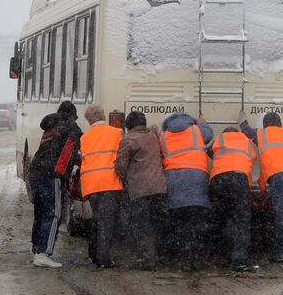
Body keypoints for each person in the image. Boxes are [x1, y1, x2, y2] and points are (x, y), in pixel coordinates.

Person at [239, 111, 283, 270]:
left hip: (280, 177)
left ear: (265, 124)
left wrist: (242, 120)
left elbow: (246, 131)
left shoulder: (263, 134)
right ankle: (278, 252)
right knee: (281, 215)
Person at [29, 101, 82, 268]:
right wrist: (63, 176)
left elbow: (54, 150)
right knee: (54, 213)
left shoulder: (50, 126)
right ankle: (44, 253)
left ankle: (37, 249)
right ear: (72, 116)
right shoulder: (71, 129)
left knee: (41, 211)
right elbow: (68, 154)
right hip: (52, 175)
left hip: (36, 171)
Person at [159, 112, 213, 271]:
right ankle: (196, 260)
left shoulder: (163, 137)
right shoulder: (197, 131)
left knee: (180, 224)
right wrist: (203, 123)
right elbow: (209, 133)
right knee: (196, 223)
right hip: (196, 178)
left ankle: (184, 259)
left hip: (174, 180)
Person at [115, 111, 167, 271]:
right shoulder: (153, 136)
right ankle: (157, 257)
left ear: (128, 126)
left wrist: (123, 177)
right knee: (155, 223)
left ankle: (146, 260)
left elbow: (121, 167)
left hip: (140, 189)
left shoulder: (128, 140)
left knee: (141, 225)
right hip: (159, 187)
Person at [208, 126, 257, 272]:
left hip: (218, 180)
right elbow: (252, 158)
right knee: (241, 220)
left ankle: (226, 255)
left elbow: (209, 152)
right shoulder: (247, 141)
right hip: (238, 178)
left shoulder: (219, 139)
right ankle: (239, 260)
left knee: (225, 217)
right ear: (238, 133)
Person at [80, 105, 123, 268]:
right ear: (103, 115)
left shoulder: (84, 137)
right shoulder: (116, 133)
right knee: (107, 221)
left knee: (96, 219)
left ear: (88, 120)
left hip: (91, 184)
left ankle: (93, 254)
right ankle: (103, 258)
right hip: (109, 182)